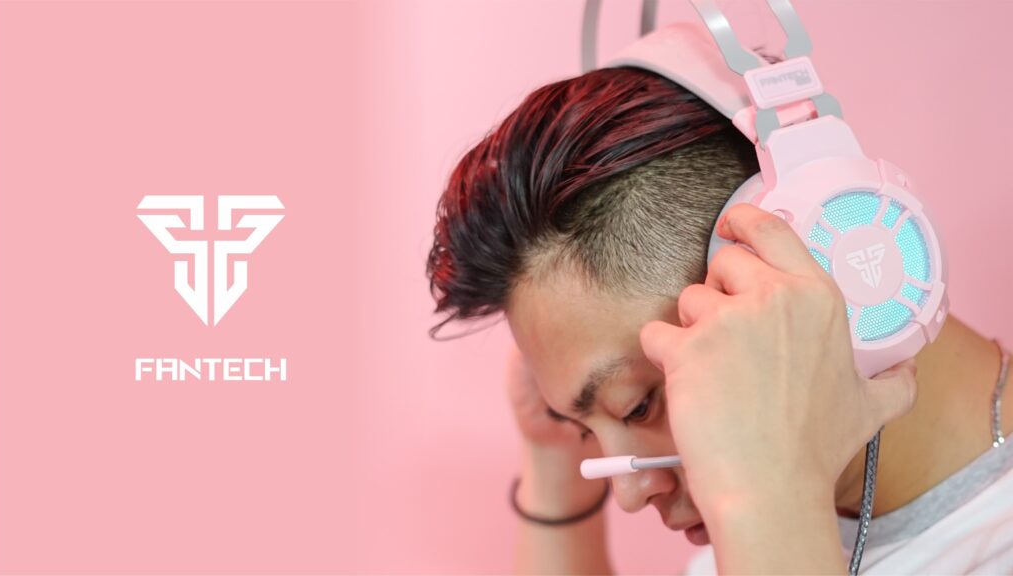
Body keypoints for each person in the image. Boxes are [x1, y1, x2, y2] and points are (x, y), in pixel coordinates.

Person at [425, 65, 1013, 574]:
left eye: (638, 406)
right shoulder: (769, 521)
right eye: (587, 430)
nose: (628, 494)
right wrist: (553, 456)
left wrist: (770, 498)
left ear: (817, 272)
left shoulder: (770, 513)